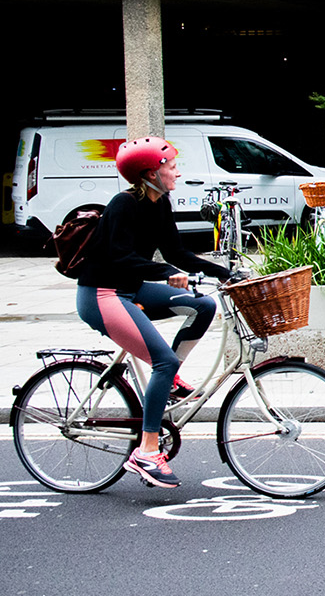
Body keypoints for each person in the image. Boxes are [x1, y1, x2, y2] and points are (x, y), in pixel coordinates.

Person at [75, 137, 231, 489]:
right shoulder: (122, 205)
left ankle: (171, 380)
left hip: (132, 290)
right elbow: (118, 257)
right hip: (102, 294)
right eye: (171, 166)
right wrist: (164, 273)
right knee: (162, 360)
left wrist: (226, 273)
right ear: (150, 174)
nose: (177, 172)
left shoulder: (160, 204)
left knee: (203, 305)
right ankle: (146, 451)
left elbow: (177, 251)